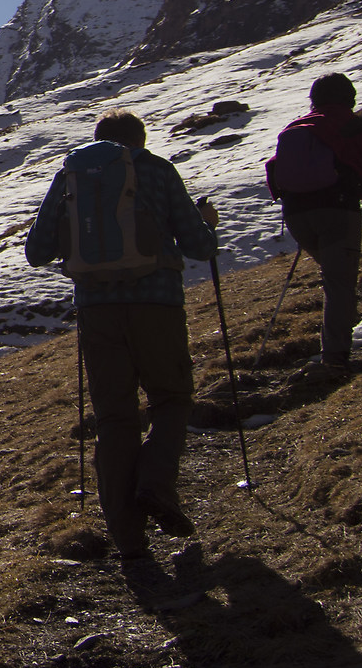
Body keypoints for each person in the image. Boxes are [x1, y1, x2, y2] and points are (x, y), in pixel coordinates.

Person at [26, 108, 219, 583]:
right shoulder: (156, 169)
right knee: (171, 397)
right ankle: (155, 485)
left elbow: (37, 251)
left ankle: (130, 544)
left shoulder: (70, 174)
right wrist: (205, 222)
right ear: (140, 138)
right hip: (157, 303)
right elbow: (200, 247)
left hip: (97, 311)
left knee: (114, 417)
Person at [275, 72, 362, 373]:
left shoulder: (295, 128)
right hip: (336, 211)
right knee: (339, 285)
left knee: (335, 277)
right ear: (349, 97)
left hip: (296, 215)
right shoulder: (353, 126)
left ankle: (341, 333)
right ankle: (335, 358)